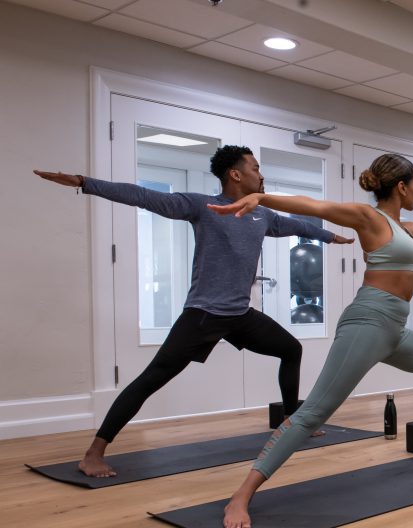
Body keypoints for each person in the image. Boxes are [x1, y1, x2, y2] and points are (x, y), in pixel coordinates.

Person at [210, 153, 413, 528]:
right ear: (401, 186)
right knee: (313, 413)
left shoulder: (408, 229)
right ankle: (241, 496)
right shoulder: (371, 219)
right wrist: (263, 199)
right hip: (367, 323)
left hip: (395, 329)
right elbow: (316, 206)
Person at [33, 146, 354, 478]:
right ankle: (93, 453)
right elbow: (142, 196)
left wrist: (331, 236)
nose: (261, 175)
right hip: (203, 314)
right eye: (256, 168)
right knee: (151, 379)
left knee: (291, 349)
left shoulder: (262, 215)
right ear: (236, 174)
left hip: (239, 315)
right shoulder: (203, 206)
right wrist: (84, 182)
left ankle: (292, 423)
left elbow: (299, 226)